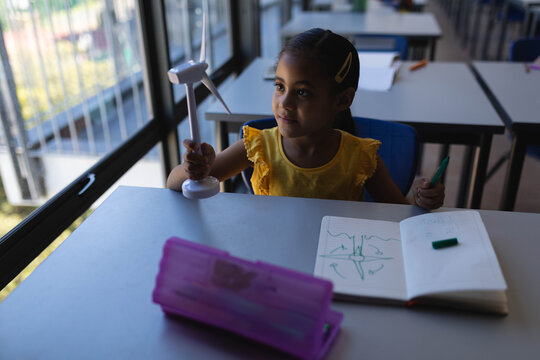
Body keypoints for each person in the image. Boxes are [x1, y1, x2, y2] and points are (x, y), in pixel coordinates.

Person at [167, 28, 445, 210]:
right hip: (276, 264)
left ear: (342, 100)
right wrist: (194, 170)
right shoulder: (257, 147)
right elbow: (173, 183)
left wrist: (422, 199)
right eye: (279, 86)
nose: (284, 103)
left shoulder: (360, 157)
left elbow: (402, 213)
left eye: (302, 92)